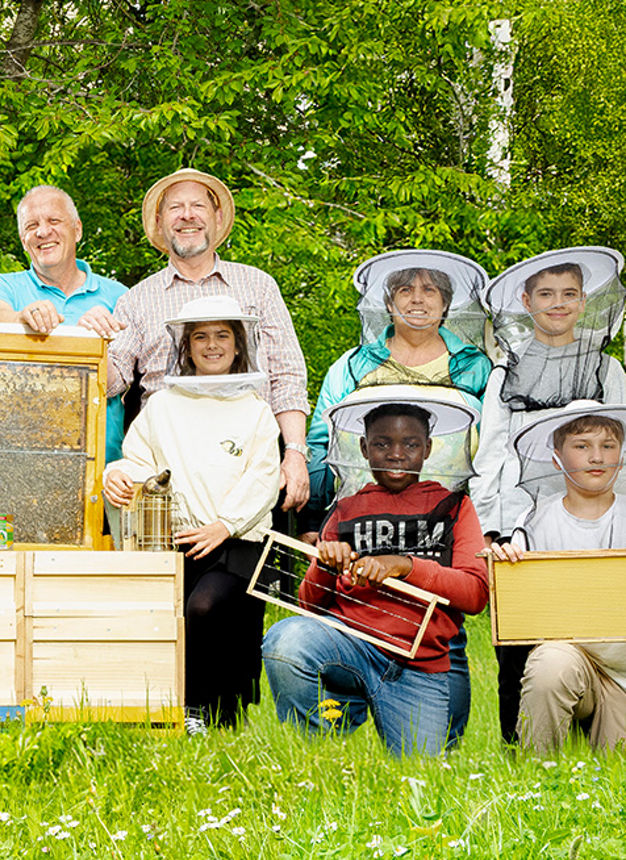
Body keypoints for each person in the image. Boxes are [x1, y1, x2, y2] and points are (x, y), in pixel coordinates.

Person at [262, 397, 490, 756]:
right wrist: (325, 565)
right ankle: (321, 751)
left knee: (422, 781)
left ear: (428, 448)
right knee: (285, 641)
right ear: (365, 448)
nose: (396, 453)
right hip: (351, 646)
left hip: (418, 664)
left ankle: (373, 707)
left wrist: (406, 565)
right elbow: (307, 605)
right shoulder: (346, 509)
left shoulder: (454, 507)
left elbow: (476, 594)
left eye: (410, 444)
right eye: (382, 444)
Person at [103, 296, 279, 733]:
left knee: (204, 607)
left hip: (239, 543)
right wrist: (118, 474)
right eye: (201, 336)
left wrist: (224, 525)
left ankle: (204, 711)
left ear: (239, 345)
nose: (212, 345)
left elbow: (263, 477)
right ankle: (164, 709)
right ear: (186, 346)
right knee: (163, 612)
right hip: (178, 541)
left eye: (222, 336)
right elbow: (140, 460)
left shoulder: (256, 410)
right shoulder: (163, 405)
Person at [106, 168, 310, 512]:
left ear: (216, 218)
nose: (187, 216)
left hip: (250, 468)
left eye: (197, 206)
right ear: (159, 221)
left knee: (247, 564)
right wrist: (92, 342)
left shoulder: (258, 286)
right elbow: (112, 381)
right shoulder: (137, 300)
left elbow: (288, 376)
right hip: (166, 473)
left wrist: (294, 454)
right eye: (175, 208)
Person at [305, 251, 492, 526]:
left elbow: (493, 448)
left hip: (449, 525)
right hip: (359, 525)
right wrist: (312, 518)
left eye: (430, 290)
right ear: (389, 303)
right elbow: (321, 444)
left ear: (445, 304)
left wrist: (488, 527)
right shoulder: (352, 366)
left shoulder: (474, 367)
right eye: (405, 290)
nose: (417, 299)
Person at [489, 402, 626, 751]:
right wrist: (506, 561)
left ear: (621, 456)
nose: (597, 457)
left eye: (608, 445)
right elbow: (515, 604)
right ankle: (537, 777)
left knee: (613, 775)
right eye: (582, 446)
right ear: (557, 458)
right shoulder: (534, 523)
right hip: (572, 661)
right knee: (550, 663)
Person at [473, 248, 626, 544]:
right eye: (546, 294)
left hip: (601, 524)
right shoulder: (505, 373)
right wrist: (486, 529)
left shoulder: (607, 369)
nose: (558, 303)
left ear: (583, 301)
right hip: (519, 520)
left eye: (569, 294)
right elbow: (490, 455)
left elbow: (622, 446)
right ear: (527, 302)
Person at [0, 185, 129, 462]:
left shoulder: (119, 295)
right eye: (31, 225)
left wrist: (93, 340)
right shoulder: (5, 286)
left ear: (78, 230)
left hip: (104, 470)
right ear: (24, 240)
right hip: (22, 464)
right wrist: (21, 317)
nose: (43, 232)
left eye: (54, 221)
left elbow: (131, 380)